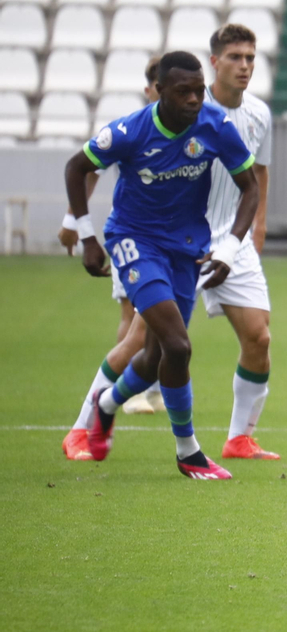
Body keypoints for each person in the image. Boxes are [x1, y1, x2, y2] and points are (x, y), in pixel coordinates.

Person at [61, 31, 281, 462]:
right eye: (235, 56)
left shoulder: (257, 115)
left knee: (258, 336)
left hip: (224, 239)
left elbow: (258, 176)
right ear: (215, 62)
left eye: (251, 57)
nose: (245, 65)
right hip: (159, 236)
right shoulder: (168, 117)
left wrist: (255, 231)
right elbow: (86, 166)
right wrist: (79, 224)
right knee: (150, 341)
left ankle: (239, 438)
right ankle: (83, 428)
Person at [60, 57, 164, 456]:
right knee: (134, 323)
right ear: (150, 90)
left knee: (162, 335)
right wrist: (76, 222)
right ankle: (93, 419)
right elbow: (88, 169)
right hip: (134, 242)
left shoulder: (192, 129)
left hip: (174, 245)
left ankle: (138, 392)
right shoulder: (132, 128)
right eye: (162, 87)